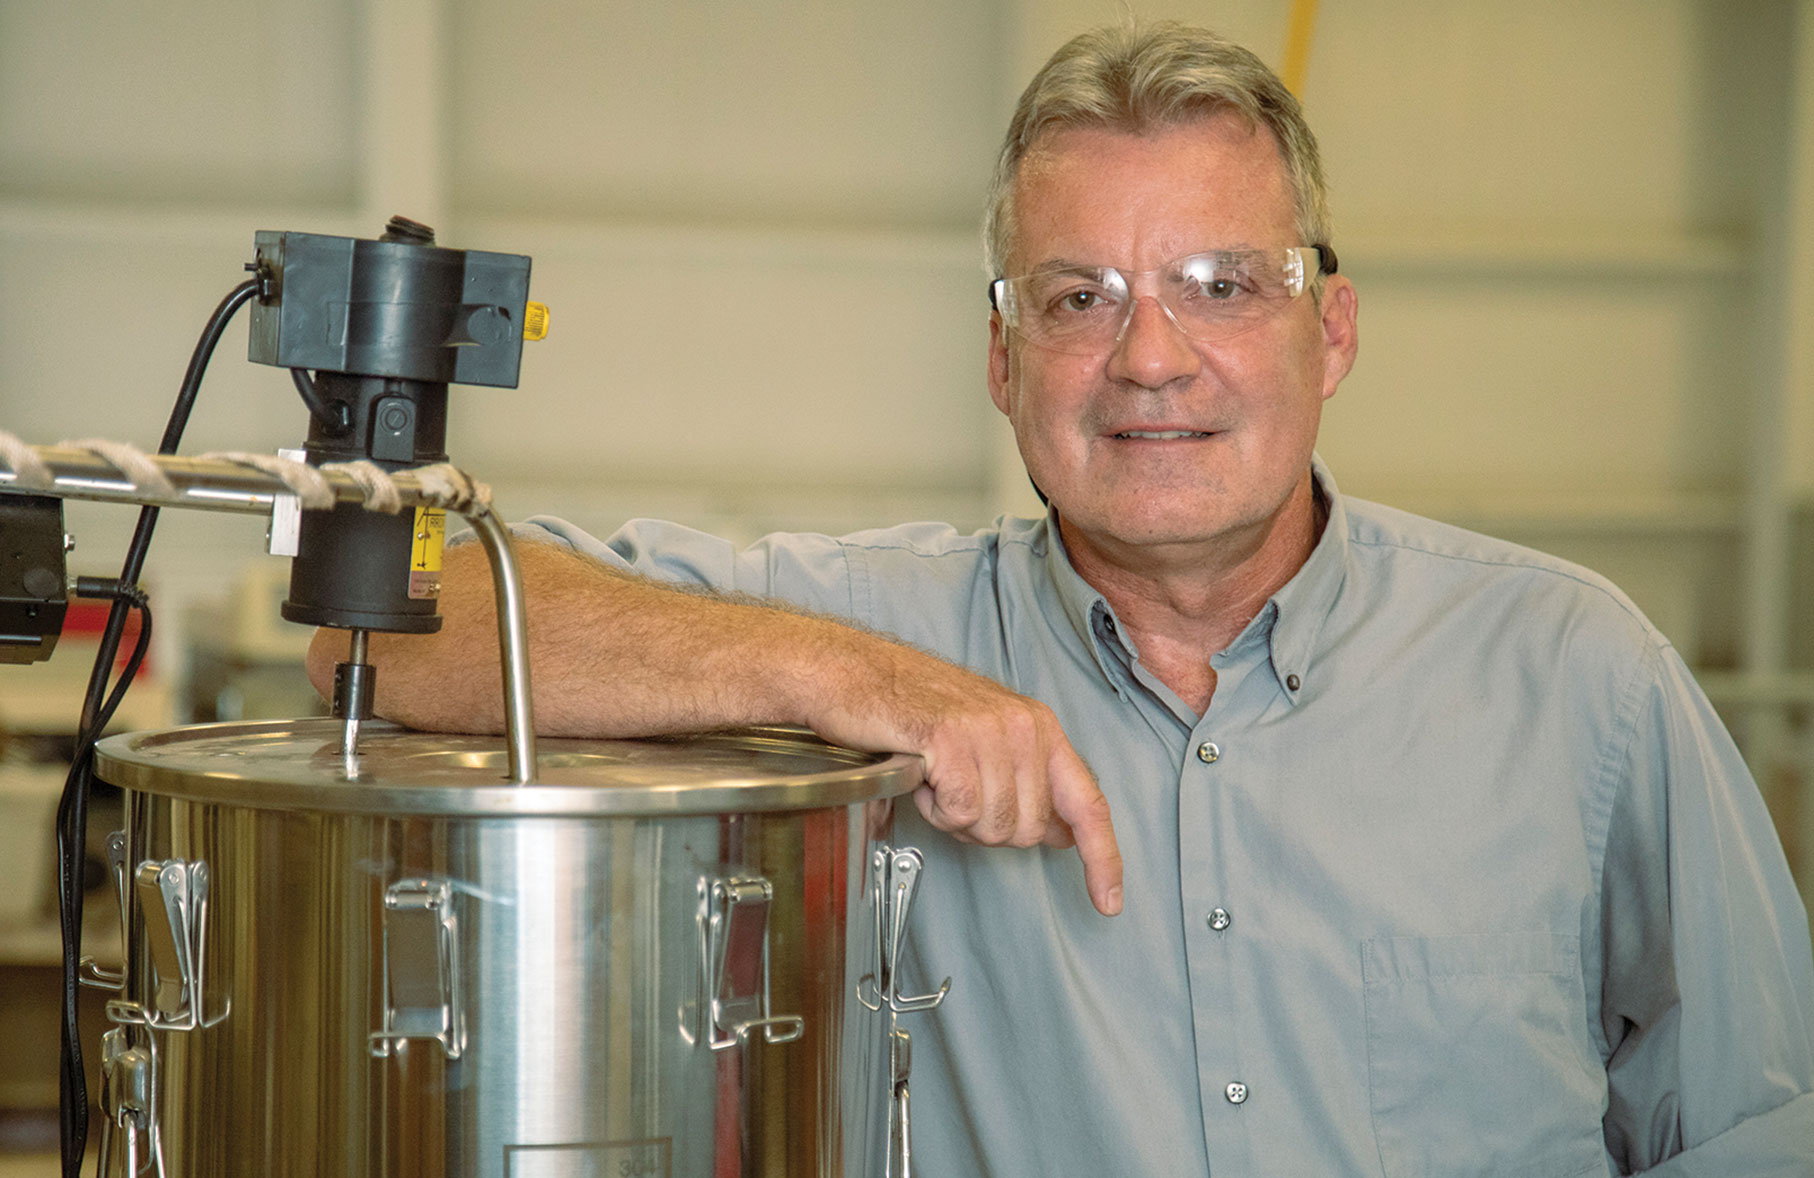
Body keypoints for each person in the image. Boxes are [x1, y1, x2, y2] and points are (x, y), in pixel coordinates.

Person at [311, 21, 1814, 1177]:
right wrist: (867, 687)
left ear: (1330, 329)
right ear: (1002, 360)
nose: (1149, 356)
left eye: (1224, 283)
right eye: (1076, 297)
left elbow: (1764, 1124)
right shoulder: (883, 630)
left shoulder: (1573, 677)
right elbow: (385, 632)